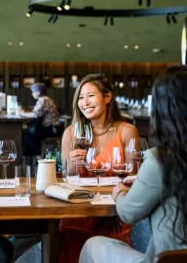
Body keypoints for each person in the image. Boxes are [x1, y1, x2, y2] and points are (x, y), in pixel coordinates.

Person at [79, 65, 187, 262]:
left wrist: (120, 192)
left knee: (93, 244)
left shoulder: (162, 160)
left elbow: (128, 213)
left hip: (167, 259)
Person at [60, 73, 140, 263]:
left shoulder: (127, 131)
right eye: (80, 97)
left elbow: (134, 179)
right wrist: (71, 166)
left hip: (113, 214)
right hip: (77, 213)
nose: (84, 102)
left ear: (107, 97)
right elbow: (66, 178)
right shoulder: (71, 133)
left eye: (90, 95)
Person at [21, 83, 63, 157]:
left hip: (53, 128)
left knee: (30, 135)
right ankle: (34, 156)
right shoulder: (43, 100)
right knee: (29, 134)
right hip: (50, 127)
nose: (32, 94)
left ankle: (37, 156)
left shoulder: (44, 100)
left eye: (33, 92)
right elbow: (36, 113)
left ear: (38, 92)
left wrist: (22, 113)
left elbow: (36, 114)